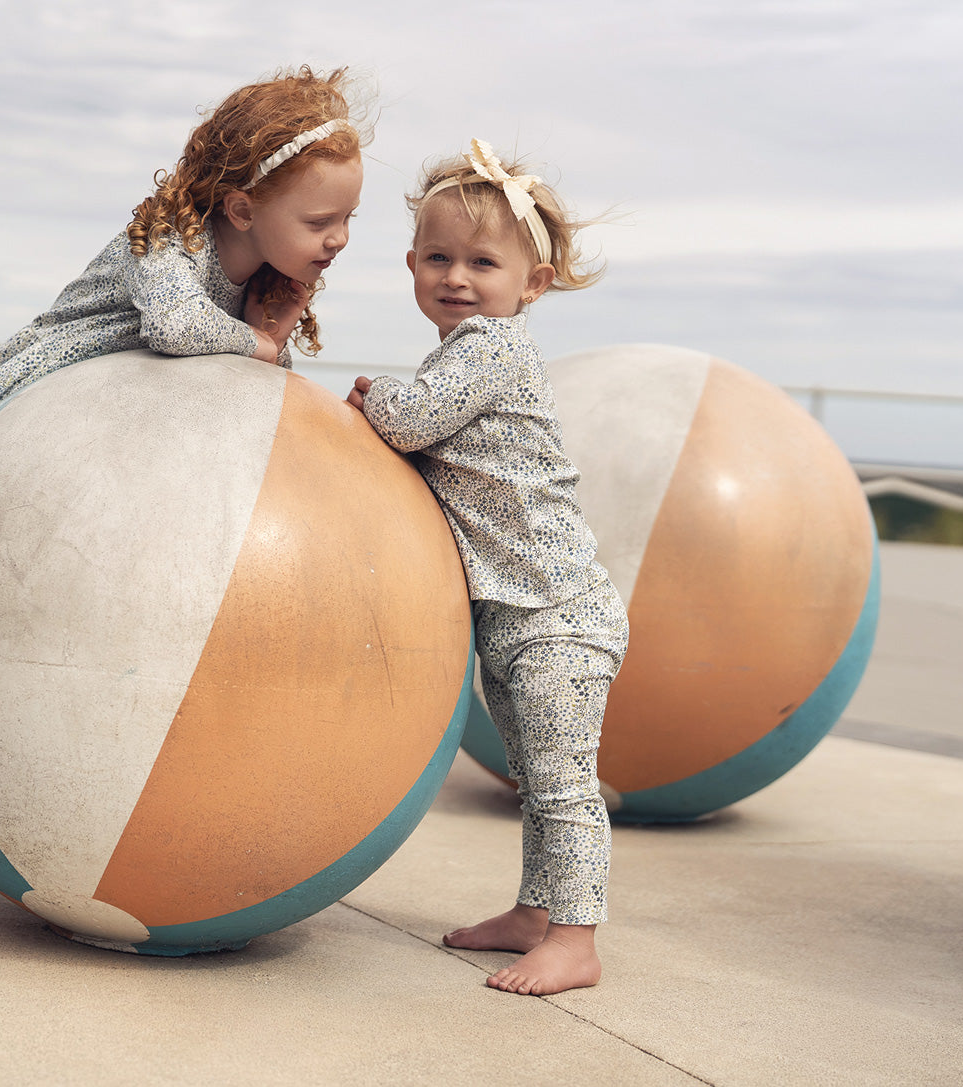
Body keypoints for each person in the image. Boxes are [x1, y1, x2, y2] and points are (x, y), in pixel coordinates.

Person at [0, 67, 365, 874]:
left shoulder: (262, 285)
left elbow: (233, 403)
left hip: (115, 459)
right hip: (27, 405)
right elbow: (175, 327)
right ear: (241, 208)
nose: (339, 238)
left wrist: (272, 336)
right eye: (321, 220)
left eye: (349, 219)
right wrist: (259, 342)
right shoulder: (167, 240)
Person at [347, 139, 627, 997]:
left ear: (531, 284)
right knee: (533, 778)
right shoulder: (461, 351)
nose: (457, 278)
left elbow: (411, 421)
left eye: (482, 262)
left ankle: (575, 940)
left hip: (556, 612)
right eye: (438, 258)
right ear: (411, 265)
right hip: (514, 612)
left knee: (562, 784)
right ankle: (535, 913)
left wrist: (372, 397)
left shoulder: (491, 349)